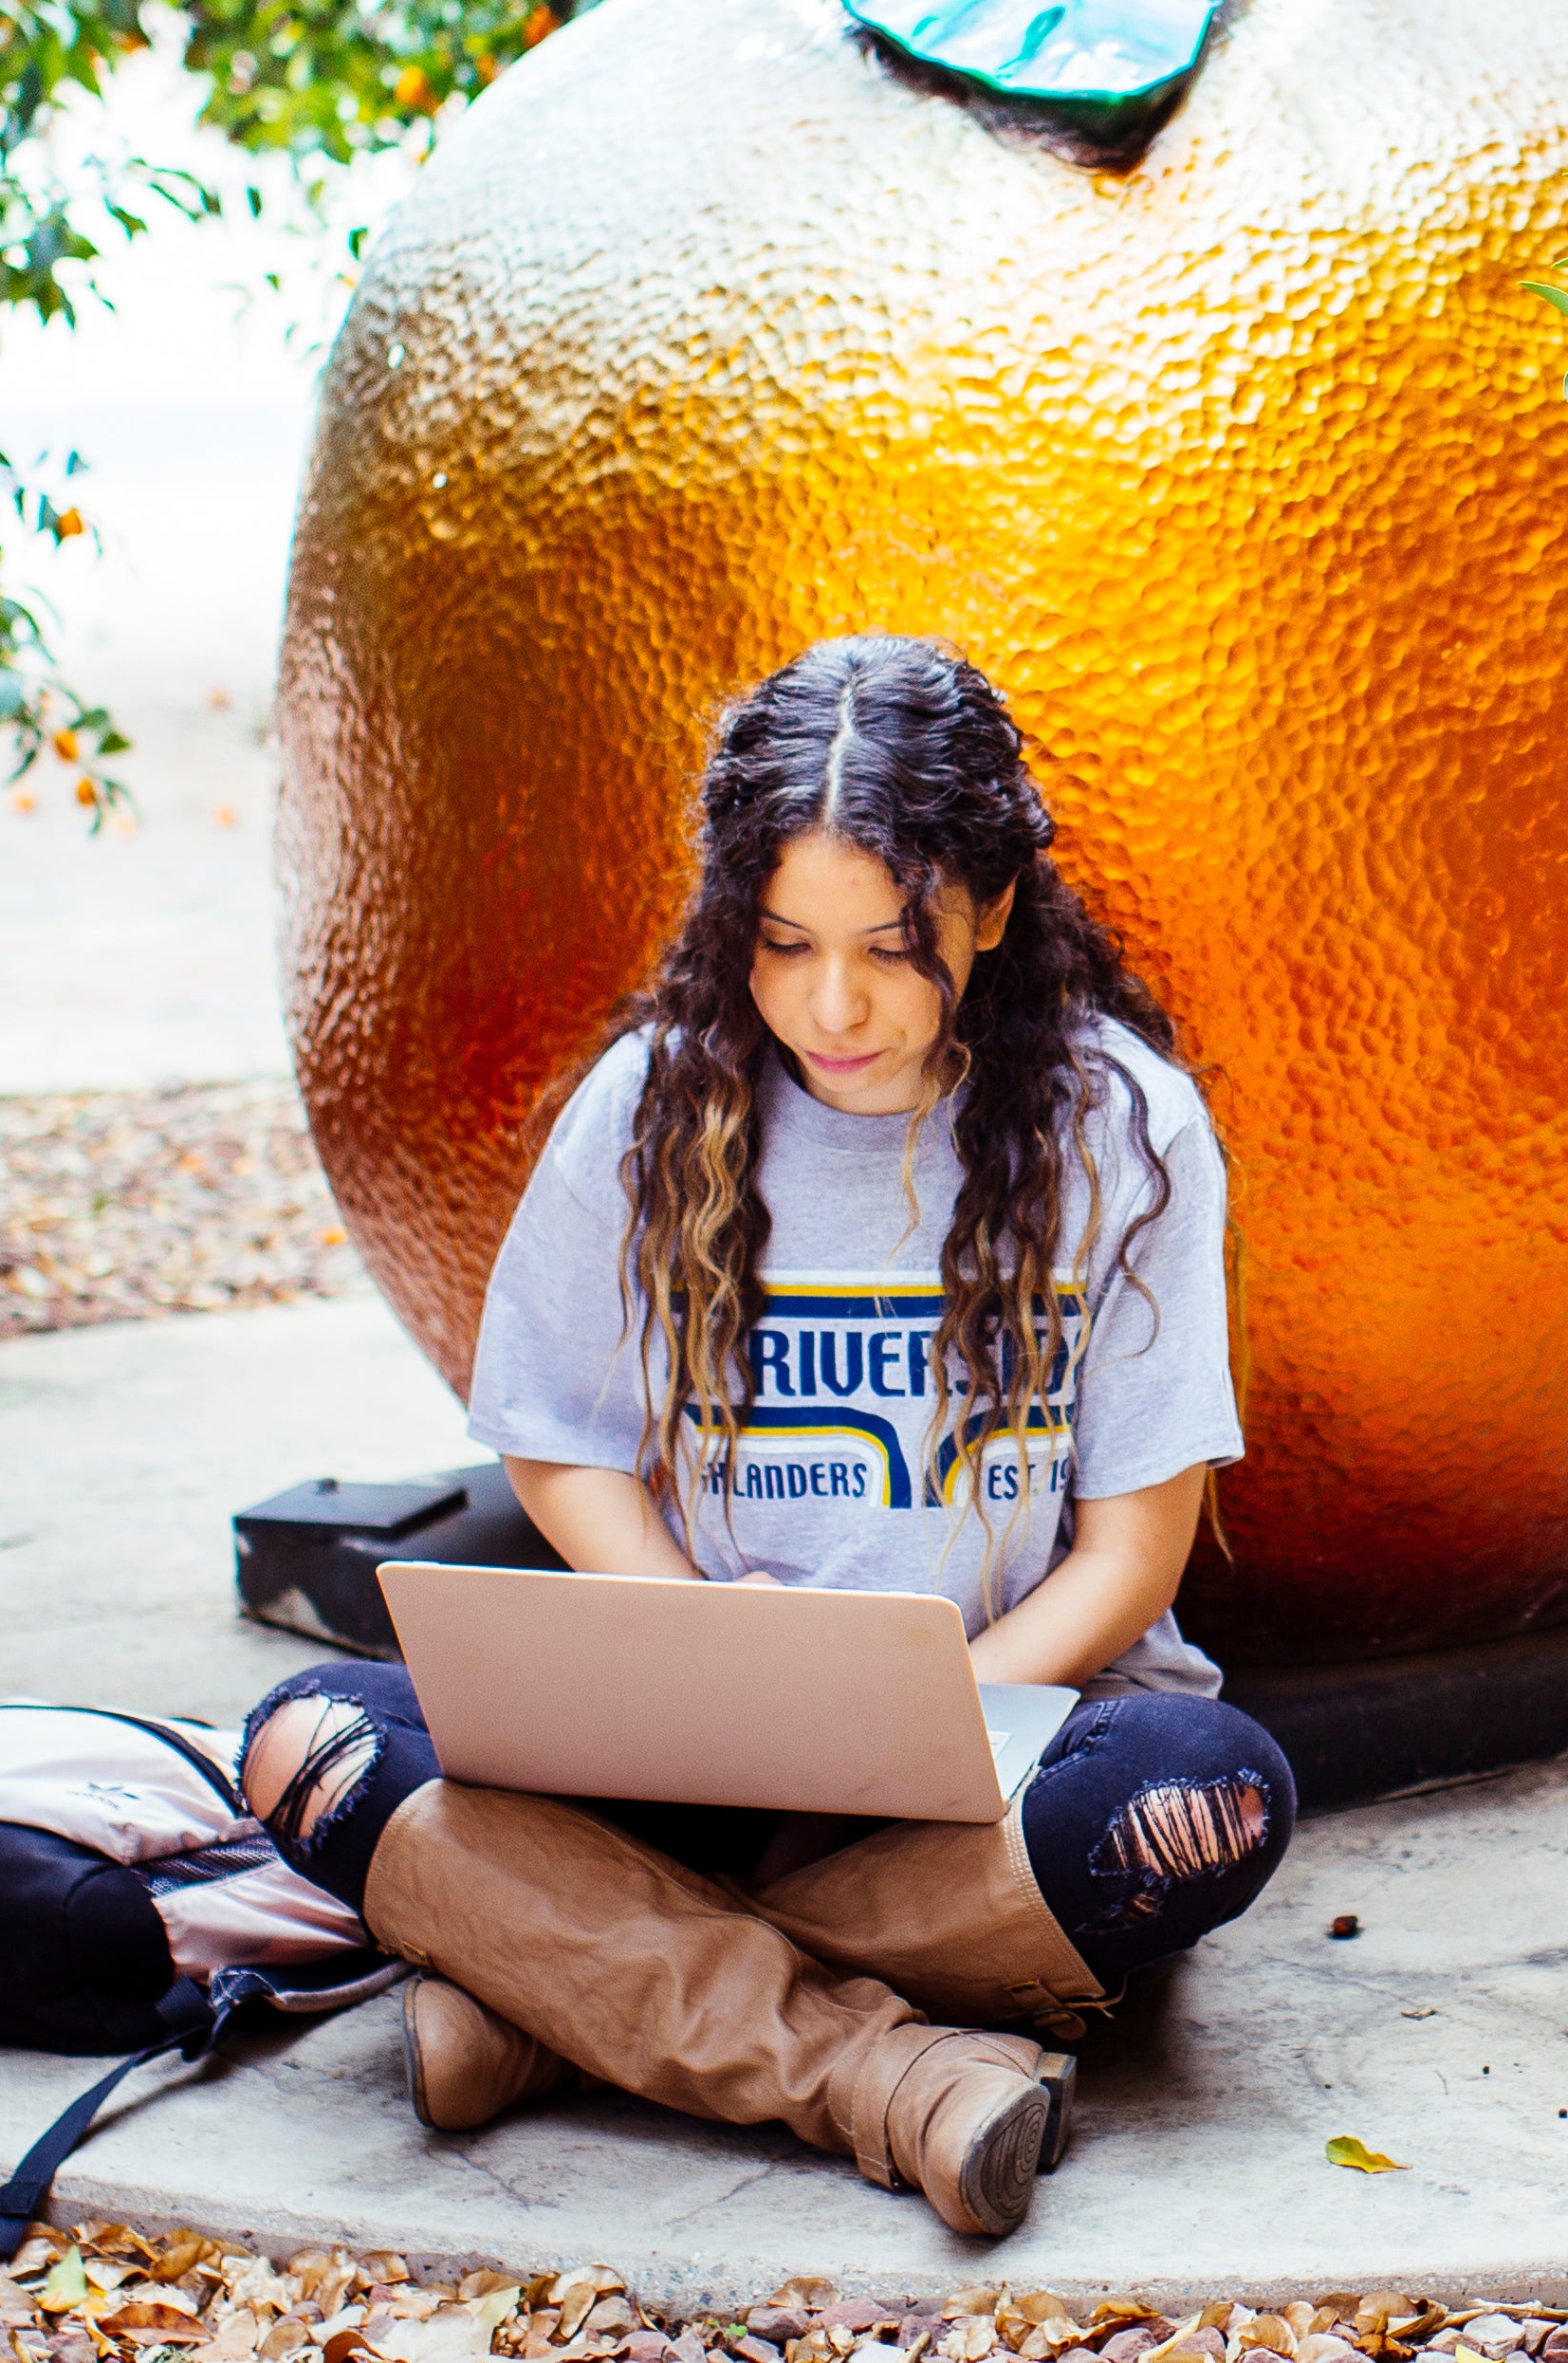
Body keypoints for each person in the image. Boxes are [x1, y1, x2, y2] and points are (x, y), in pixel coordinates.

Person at [231, 635, 1295, 2238]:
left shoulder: (1123, 1126)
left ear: (993, 909)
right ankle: (888, 2076)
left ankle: (554, 1993)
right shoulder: (650, 1107)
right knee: (310, 1738)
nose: (834, 1002)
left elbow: (1133, 1548)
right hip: (696, 1752)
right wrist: (696, 1653)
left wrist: (917, 1711)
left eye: (891, 943)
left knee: (1205, 1795)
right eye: (785, 943)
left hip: (1003, 1747)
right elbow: (564, 1445)